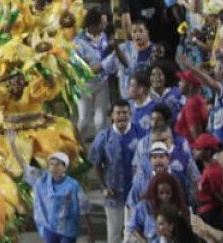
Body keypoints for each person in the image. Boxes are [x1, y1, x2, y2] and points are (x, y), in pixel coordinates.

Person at [89, 99, 139, 243]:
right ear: (112, 115)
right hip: (113, 193)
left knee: (134, 233)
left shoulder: (140, 133)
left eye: (125, 112)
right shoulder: (103, 137)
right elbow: (96, 163)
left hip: (135, 193)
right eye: (118, 112)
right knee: (114, 234)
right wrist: (103, 186)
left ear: (130, 113)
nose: (122, 115)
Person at [26, 150, 84, 243]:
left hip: (68, 230)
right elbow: (25, 168)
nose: (53, 167)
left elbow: (83, 205)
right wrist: (13, 146)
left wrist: (90, 230)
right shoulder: (43, 181)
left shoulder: (72, 185)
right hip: (50, 229)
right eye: (51, 164)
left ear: (64, 167)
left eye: (57, 164)